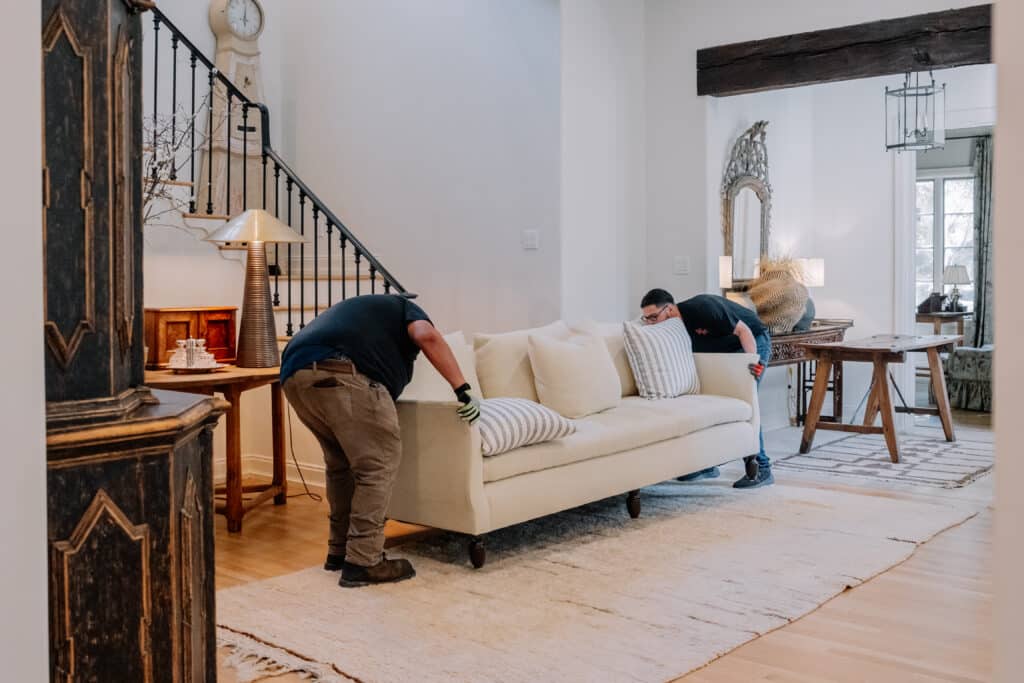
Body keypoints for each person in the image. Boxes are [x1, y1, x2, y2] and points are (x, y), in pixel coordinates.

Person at [280, 294, 481, 587]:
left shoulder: (365, 315)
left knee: (341, 466)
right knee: (376, 466)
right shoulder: (407, 310)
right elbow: (427, 336)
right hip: (342, 374)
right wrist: (463, 389)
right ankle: (364, 560)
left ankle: (339, 551)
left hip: (294, 378)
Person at [640, 289, 773, 489]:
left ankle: (761, 469)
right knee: (710, 403)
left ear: (669, 310)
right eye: (645, 319)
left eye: (653, 317)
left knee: (746, 401)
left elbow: (743, 331)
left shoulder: (703, 309)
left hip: (752, 343)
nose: (649, 323)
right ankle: (707, 465)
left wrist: (752, 364)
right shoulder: (673, 328)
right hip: (722, 350)